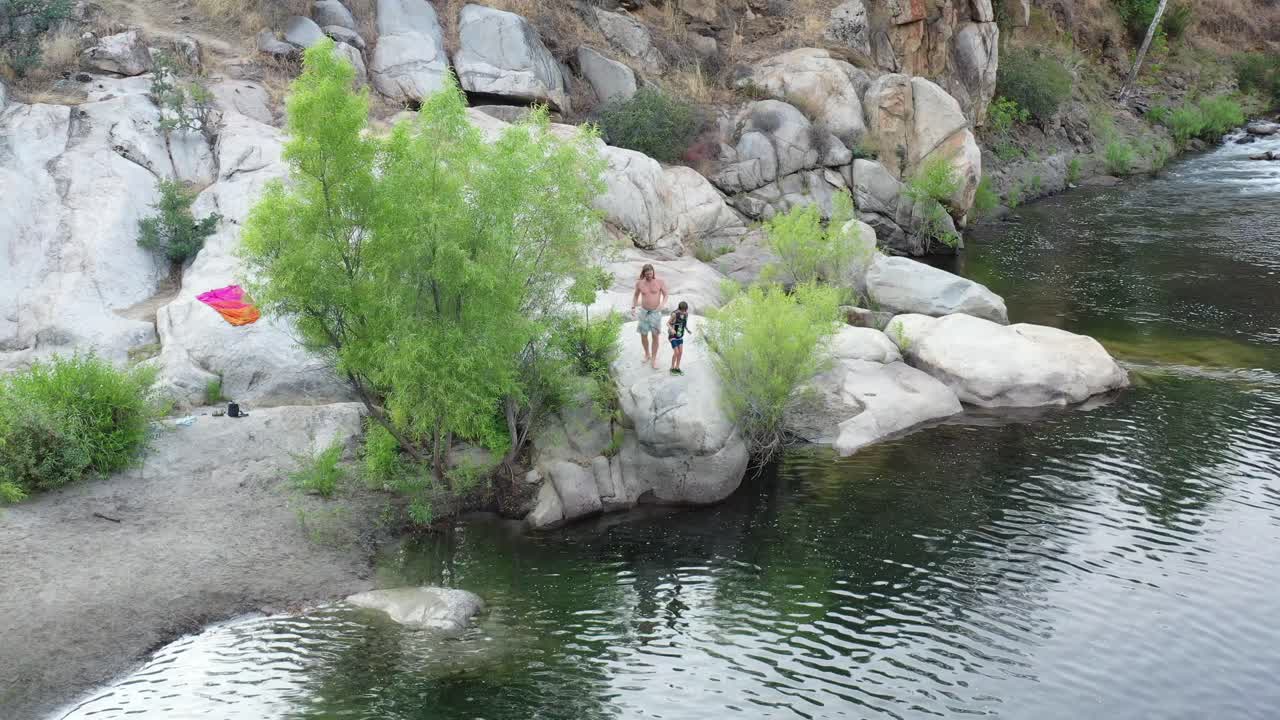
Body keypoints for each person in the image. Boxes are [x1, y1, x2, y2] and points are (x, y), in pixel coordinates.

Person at [631, 263, 668, 369]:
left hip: (655, 312)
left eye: (650, 273)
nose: (649, 276)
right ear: (644, 273)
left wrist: (662, 304)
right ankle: (647, 354)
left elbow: (666, 295)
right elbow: (635, 295)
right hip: (643, 312)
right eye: (647, 274)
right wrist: (633, 307)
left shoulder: (660, 282)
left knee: (655, 336)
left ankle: (654, 359)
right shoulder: (640, 283)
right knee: (643, 334)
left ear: (653, 272)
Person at [667, 301, 690, 375]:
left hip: (680, 336)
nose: (683, 312)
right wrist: (672, 329)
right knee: (676, 352)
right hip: (672, 336)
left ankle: (677, 368)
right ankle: (672, 368)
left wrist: (687, 329)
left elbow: (685, 323)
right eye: (682, 310)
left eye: (684, 310)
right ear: (679, 309)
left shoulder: (686, 314)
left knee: (680, 353)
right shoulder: (674, 314)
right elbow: (667, 323)